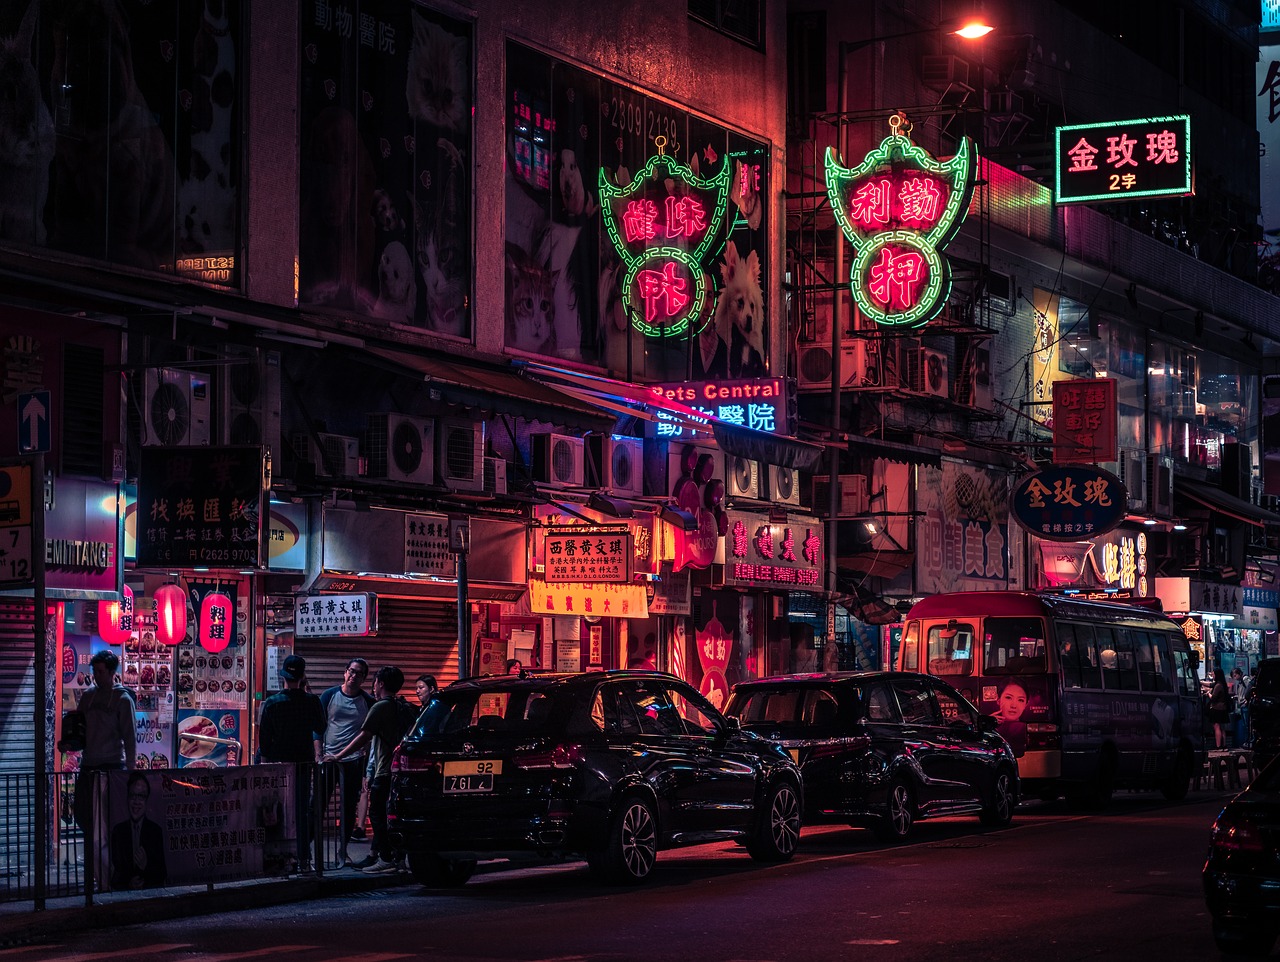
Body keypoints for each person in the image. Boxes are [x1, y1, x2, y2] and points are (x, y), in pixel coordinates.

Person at [324, 666, 413, 875]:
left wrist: (338, 755)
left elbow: (363, 737)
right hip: (400, 770)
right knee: (393, 815)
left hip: (385, 770)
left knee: (378, 814)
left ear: (380, 684)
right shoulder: (404, 706)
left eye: (374, 681)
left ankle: (385, 857)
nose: (373, 686)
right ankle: (397, 858)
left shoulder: (380, 706)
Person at [257, 655, 326, 872]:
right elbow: (321, 727)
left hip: (278, 765)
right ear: (303, 676)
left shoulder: (273, 703)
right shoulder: (312, 701)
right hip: (303, 764)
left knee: (276, 812)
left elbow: (264, 739)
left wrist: (265, 765)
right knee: (302, 811)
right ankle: (304, 860)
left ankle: (279, 861)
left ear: (283, 676)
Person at [64, 649, 136, 837]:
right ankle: (92, 861)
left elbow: (130, 737)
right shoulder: (88, 696)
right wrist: (69, 745)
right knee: (84, 814)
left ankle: (109, 862)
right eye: (94, 671)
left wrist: (130, 770)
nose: (96, 676)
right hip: (88, 765)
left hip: (112, 766)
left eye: (100, 672)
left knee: (110, 819)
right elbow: (79, 729)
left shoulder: (123, 699)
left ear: (113, 673)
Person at [317, 658, 374, 868]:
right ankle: (311, 852)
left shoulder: (367, 702)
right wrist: (318, 754)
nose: (353, 676)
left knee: (348, 808)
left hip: (353, 761)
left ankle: (343, 851)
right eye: (351, 671)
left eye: (359, 673)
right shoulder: (329, 695)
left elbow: (368, 735)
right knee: (318, 803)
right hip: (328, 759)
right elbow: (318, 727)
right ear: (344, 672)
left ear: (364, 678)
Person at [109, 772, 166, 890]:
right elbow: (116, 870)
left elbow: (162, 873)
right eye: (132, 795)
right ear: (127, 798)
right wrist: (128, 883)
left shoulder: (155, 831)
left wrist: (146, 866)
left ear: (147, 801)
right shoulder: (118, 831)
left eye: (141, 796)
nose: (136, 801)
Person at [990, 681, 1029, 757]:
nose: (1014, 705)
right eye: (1008, 698)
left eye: (1020, 700)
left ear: (1025, 705)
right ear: (998, 700)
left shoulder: (1027, 728)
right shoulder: (989, 725)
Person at [1208, 669, 1232, 749]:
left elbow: (1213, 698)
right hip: (1223, 708)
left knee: (1216, 726)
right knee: (1222, 728)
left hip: (1217, 708)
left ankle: (1218, 745)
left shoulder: (1218, 685)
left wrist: (1208, 694)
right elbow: (1210, 684)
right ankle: (1224, 744)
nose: (1213, 676)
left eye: (1213, 674)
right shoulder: (1222, 684)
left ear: (1217, 675)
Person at [1233, 667, 1252, 748]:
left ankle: (1248, 742)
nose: (1235, 677)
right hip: (1242, 704)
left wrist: (1246, 701)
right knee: (1245, 725)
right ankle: (1246, 741)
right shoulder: (1240, 682)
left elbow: (1249, 691)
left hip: (1245, 705)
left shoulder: (1246, 680)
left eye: (1235, 675)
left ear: (1239, 674)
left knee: (1247, 725)